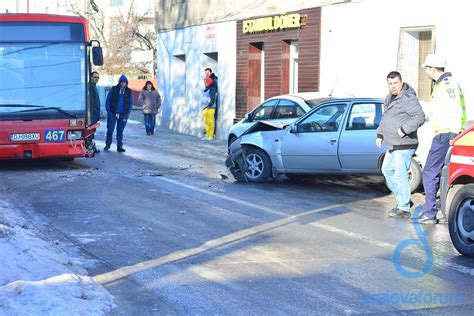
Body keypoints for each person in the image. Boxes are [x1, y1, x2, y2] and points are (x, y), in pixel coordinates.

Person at [412, 54, 467, 224]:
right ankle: (440, 210)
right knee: (441, 173)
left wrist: (453, 134)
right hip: (446, 134)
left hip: (446, 135)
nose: (426, 72)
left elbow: (455, 110)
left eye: (427, 68)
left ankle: (430, 212)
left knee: (429, 172)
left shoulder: (447, 86)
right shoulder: (441, 85)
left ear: (432, 69)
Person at [376, 71, 425, 218]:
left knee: (400, 175)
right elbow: (385, 119)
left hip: (404, 144)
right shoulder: (389, 98)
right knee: (386, 171)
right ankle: (404, 200)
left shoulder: (408, 98)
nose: (393, 86)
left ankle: (403, 208)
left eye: (395, 83)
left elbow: (420, 117)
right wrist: (380, 134)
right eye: (390, 84)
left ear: (401, 82)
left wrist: (404, 129)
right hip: (392, 144)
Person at [104, 74, 133, 152]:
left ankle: (119, 146)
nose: (123, 83)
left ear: (126, 83)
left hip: (123, 114)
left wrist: (127, 113)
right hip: (112, 113)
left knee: (120, 131)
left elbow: (131, 103)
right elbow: (108, 100)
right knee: (110, 129)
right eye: (121, 82)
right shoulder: (113, 89)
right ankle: (108, 144)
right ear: (119, 82)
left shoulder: (129, 91)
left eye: (124, 82)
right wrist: (109, 111)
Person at [201, 70, 218, 140]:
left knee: (210, 122)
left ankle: (211, 135)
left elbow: (213, 98)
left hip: (210, 108)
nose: (205, 83)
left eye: (206, 82)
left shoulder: (212, 89)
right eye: (204, 82)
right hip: (205, 108)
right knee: (206, 122)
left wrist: (209, 106)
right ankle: (207, 135)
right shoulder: (206, 89)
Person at [89, 71, 101, 153]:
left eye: (98, 77)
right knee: (90, 131)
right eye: (95, 77)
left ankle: (92, 146)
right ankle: (91, 147)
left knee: (92, 130)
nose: (97, 79)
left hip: (95, 112)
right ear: (91, 77)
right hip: (92, 112)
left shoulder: (94, 86)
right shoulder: (90, 86)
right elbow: (91, 101)